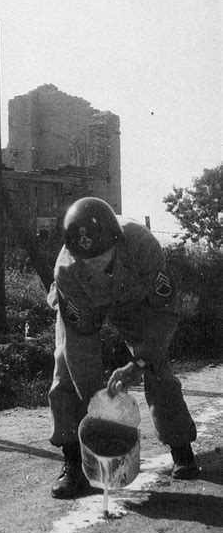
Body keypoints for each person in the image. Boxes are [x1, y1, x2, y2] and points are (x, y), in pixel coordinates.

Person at [47, 196, 198, 500]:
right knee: (65, 369)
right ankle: (74, 461)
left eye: (102, 257)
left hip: (135, 301)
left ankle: (180, 444)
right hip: (85, 304)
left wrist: (140, 363)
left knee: (157, 367)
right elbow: (80, 347)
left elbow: (165, 313)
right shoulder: (67, 271)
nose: (93, 266)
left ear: (117, 241)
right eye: (86, 261)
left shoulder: (143, 246)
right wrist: (100, 406)